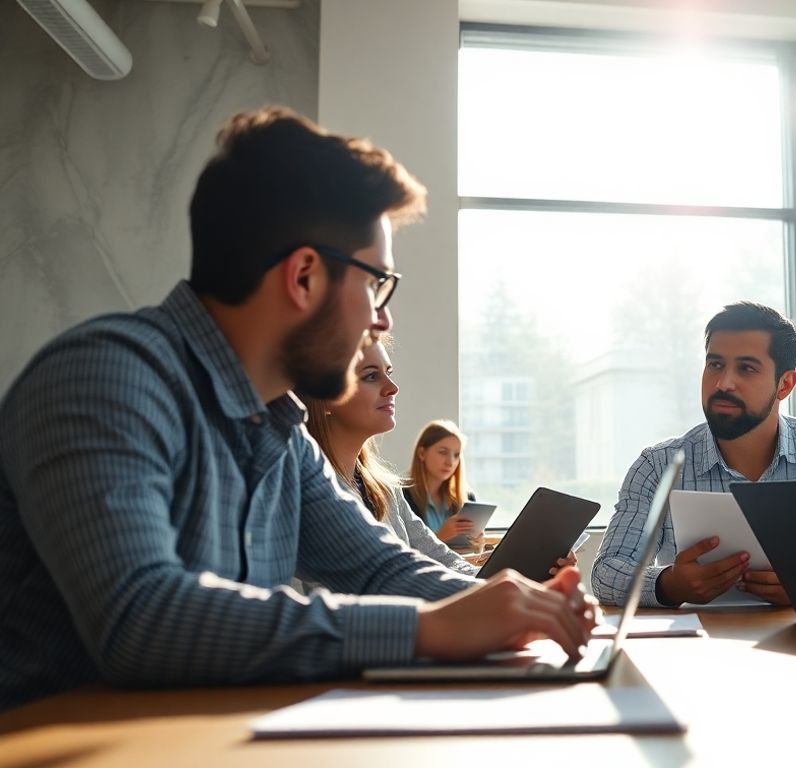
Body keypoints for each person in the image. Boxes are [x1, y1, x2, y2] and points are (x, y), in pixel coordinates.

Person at [0, 107, 592, 712]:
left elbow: (378, 569)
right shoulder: (107, 377)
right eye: (375, 284)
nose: (380, 318)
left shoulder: (278, 428)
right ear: (304, 276)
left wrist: (515, 603)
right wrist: (429, 630)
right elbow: (141, 618)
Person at [591, 301, 796, 608]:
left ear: (785, 385)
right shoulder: (658, 464)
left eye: (746, 368)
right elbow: (606, 572)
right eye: (715, 364)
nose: (724, 382)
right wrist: (668, 584)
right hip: (699, 651)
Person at [301, 335, 482, 579]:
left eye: (389, 372)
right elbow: (394, 577)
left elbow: (438, 557)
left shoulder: (386, 488)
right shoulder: (312, 491)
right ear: (325, 396)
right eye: (371, 376)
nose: (393, 387)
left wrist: (503, 578)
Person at [403, 421, 484, 551]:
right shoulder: (401, 496)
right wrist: (439, 537)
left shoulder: (467, 497)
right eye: (443, 452)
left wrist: (477, 545)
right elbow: (400, 553)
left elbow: (471, 554)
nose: (450, 462)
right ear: (422, 453)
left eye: (456, 455)